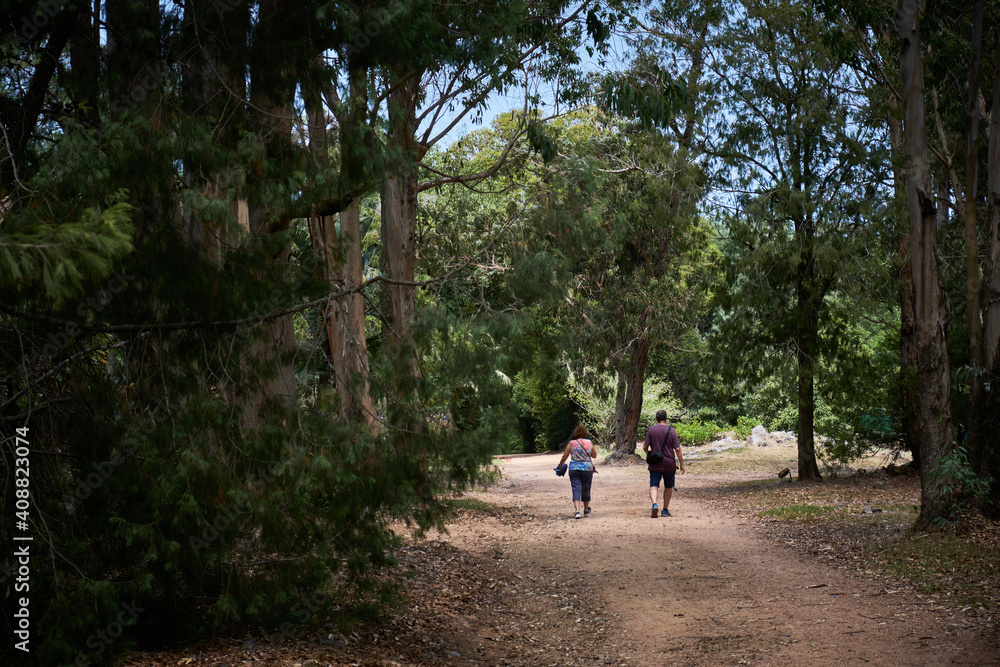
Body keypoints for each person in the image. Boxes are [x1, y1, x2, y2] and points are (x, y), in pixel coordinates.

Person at [643, 409, 684, 518]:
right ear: (666, 418)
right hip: (669, 463)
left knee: (654, 485)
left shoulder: (651, 430)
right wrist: (682, 464)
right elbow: (678, 449)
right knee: (668, 486)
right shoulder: (672, 431)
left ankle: (655, 504)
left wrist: (650, 454)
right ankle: (665, 510)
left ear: (656, 419)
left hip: (655, 463)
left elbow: (644, 446)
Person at [556, 425, 597, 519]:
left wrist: (560, 465)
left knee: (576, 489)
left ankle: (577, 511)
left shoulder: (571, 443)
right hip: (587, 469)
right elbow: (594, 456)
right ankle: (586, 510)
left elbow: (564, 456)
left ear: (575, 433)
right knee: (586, 488)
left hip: (574, 469)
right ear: (585, 433)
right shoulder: (589, 442)